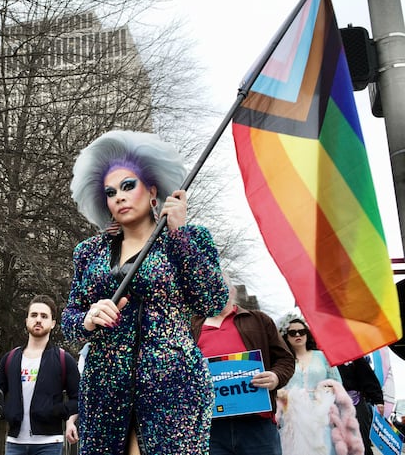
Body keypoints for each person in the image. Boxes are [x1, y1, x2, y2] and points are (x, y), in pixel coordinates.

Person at [60, 130, 228, 455]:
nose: (119, 197)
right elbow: (69, 321)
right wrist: (89, 319)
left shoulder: (189, 238)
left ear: (152, 190)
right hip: (105, 392)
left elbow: (212, 299)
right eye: (110, 192)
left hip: (172, 387)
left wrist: (178, 235)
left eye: (127, 186)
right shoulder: (88, 252)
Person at [192, 272, 295, 455]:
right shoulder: (190, 327)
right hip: (210, 428)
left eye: (220, 285)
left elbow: (285, 359)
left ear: (232, 291)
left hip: (257, 426)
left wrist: (276, 376)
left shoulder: (259, 320)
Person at [0, 295, 80, 455]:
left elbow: (79, 397)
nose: (38, 319)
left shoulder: (63, 359)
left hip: (49, 444)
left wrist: (63, 414)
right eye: (34, 315)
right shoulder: (10, 359)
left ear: (53, 323)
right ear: (26, 320)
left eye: (44, 316)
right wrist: (8, 413)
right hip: (14, 443)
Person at [277, 316, 364, 455]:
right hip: (293, 415)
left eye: (302, 331)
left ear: (307, 333)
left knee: (324, 447)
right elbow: (278, 385)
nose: (298, 335)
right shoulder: (283, 361)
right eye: (292, 333)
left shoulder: (322, 356)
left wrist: (327, 389)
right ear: (286, 337)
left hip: (322, 413)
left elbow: (337, 383)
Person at [337, 358, 384, 455]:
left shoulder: (353, 355)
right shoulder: (319, 354)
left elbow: (367, 376)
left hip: (356, 403)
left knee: (361, 442)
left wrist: (378, 400)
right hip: (331, 405)